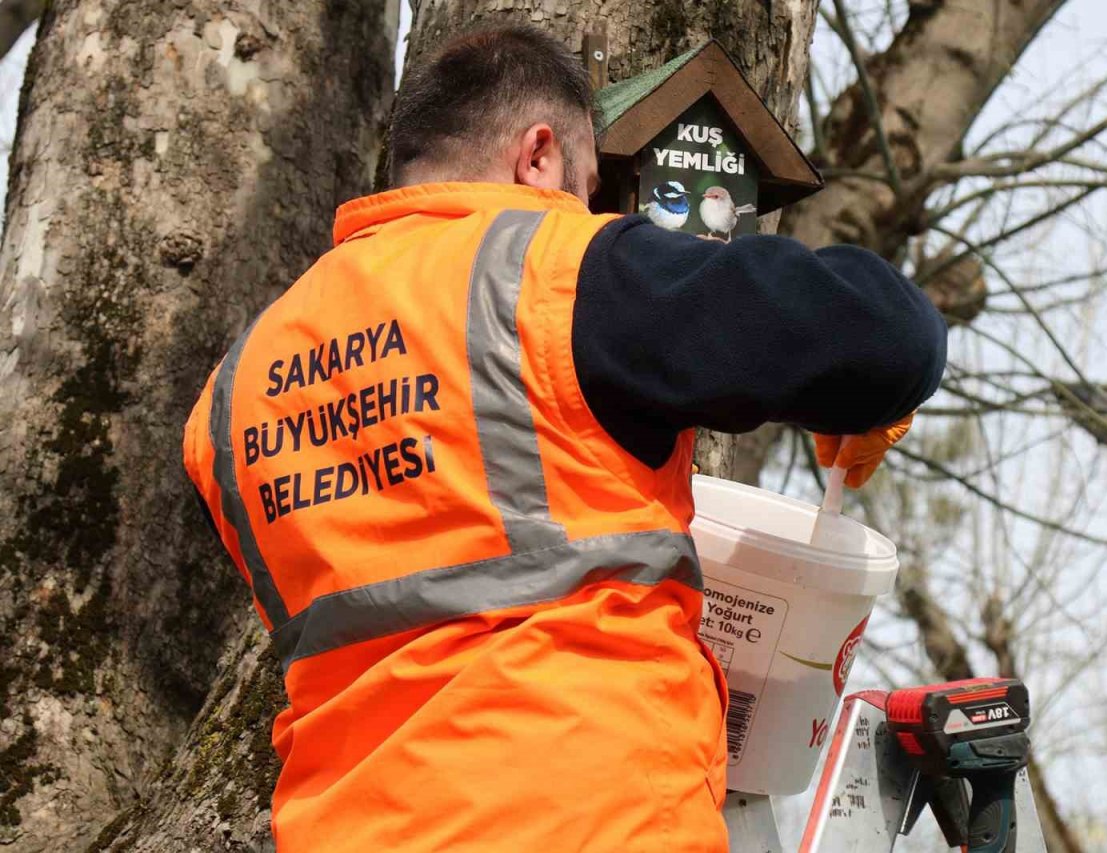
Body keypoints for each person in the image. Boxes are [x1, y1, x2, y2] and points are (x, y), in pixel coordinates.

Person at [183, 24, 946, 853]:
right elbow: (883, 335)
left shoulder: (235, 388)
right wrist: (866, 393)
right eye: (587, 190)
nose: (591, 215)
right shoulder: (549, 270)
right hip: (583, 814)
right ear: (537, 155)